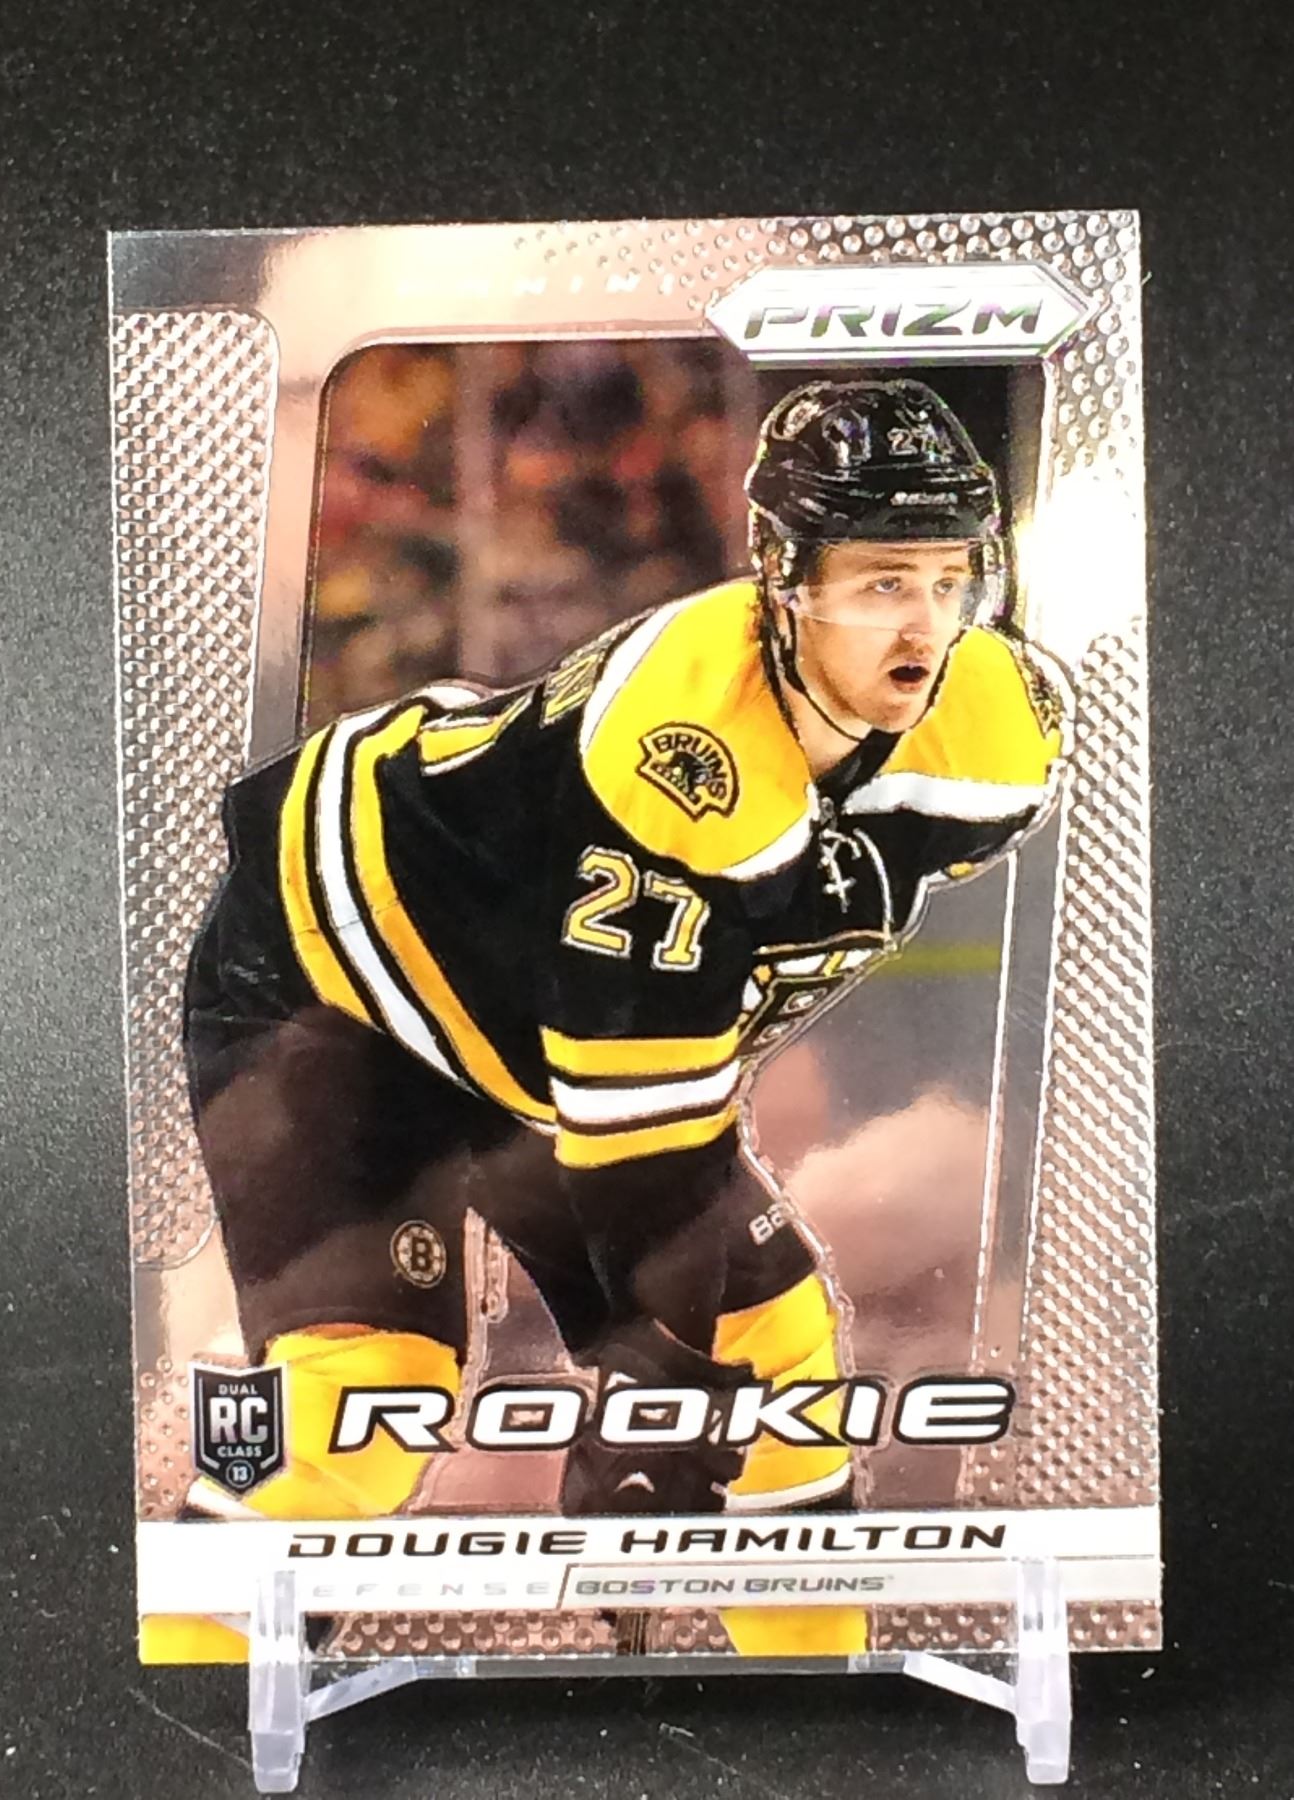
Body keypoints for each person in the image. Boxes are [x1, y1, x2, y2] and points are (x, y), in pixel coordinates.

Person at [142, 378, 1071, 1664]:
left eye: (947, 578)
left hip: (529, 1009)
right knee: (361, 1399)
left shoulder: (997, 730)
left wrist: (666, 1364)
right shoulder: (682, 756)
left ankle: (823, 1697)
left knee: (776, 1353)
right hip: (334, 976)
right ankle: (180, 1702)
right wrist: (653, 1371)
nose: (922, 625)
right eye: (877, 583)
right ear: (782, 578)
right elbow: (640, 1146)